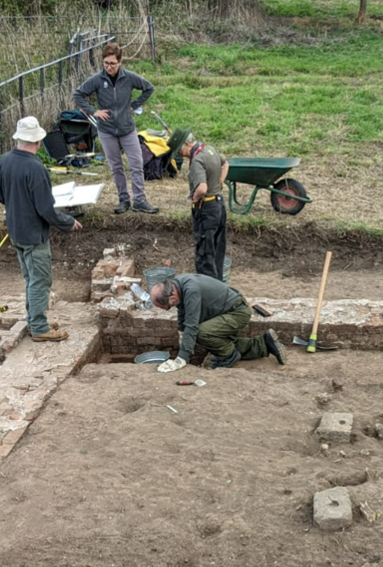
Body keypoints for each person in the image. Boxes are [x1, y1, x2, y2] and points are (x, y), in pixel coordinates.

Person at [0, 116, 83, 342]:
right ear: (37, 142)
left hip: (16, 230)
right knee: (40, 280)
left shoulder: (5, 160)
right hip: (34, 234)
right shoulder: (35, 168)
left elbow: (0, 195)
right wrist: (67, 222)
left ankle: (35, 318)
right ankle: (39, 327)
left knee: (30, 278)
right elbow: (46, 209)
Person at [74, 43, 158, 214]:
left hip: (127, 129)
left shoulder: (129, 78)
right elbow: (78, 94)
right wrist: (93, 111)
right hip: (107, 131)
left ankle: (140, 200)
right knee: (116, 167)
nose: (109, 67)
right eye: (106, 63)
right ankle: (123, 200)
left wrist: (133, 105)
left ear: (120, 62)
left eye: (112, 63)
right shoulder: (97, 80)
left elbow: (148, 88)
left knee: (136, 163)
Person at [149, 274, 286, 372]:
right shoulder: (177, 285)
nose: (166, 310)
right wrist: (181, 332)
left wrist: (182, 358)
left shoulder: (191, 290)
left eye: (165, 307)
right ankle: (265, 344)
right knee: (221, 341)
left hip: (237, 313)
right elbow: (182, 311)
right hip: (223, 312)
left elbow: (192, 325)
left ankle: (229, 356)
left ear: (172, 296)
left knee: (202, 333)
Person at [167, 129, 230, 281]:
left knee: (205, 255)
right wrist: (219, 182)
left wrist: (194, 198)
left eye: (180, 150)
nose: (180, 154)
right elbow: (225, 164)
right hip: (219, 206)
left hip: (206, 211)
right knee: (217, 253)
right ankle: (219, 286)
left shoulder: (197, 161)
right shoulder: (210, 150)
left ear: (187, 143)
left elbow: (202, 188)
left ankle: (209, 292)